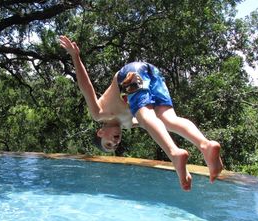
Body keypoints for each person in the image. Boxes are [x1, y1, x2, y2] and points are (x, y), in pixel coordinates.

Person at [59, 35, 223, 191]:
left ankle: (174, 154)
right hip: (153, 73)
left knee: (145, 117)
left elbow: (86, 88)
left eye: (108, 144)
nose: (114, 143)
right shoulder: (129, 123)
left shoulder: (99, 113)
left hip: (130, 74)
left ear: (100, 132)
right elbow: (156, 127)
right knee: (167, 119)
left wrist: (75, 57)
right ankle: (205, 145)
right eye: (114, 146)